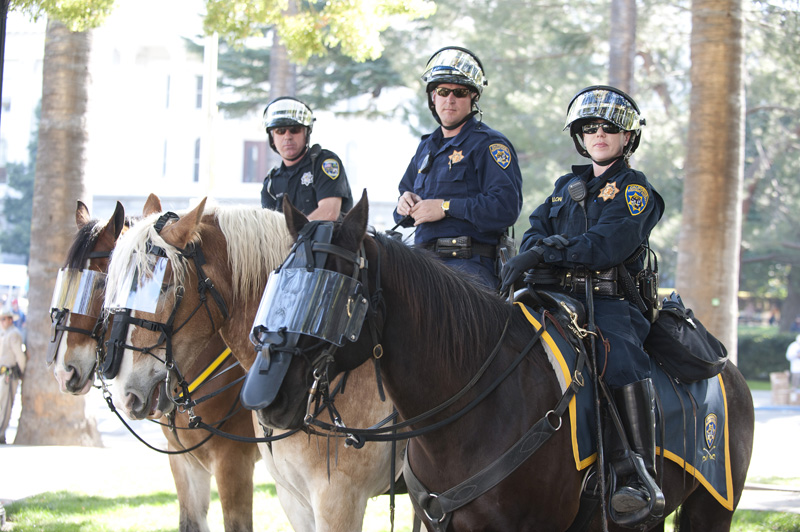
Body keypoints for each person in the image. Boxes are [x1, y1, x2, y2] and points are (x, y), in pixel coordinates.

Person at [500, 86, 665, 519]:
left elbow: (606, 244)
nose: (598, 134)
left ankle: (635, 473)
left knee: (622, 356)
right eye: (589, 128)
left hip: (610, 302)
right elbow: (534, 228)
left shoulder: (635, 190)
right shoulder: (565, 187)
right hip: (556, 296)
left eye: (609, 128)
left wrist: (548, 251)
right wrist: (538, 249)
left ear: (627, 137)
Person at [393, 46, 523, 288]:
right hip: (420, 262)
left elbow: (505, 207)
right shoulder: (426, 147)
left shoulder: (489, 144)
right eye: (443, 91)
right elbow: (401, 210)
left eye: (460, 92)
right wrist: (404, 203)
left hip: (468, 266)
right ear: (433, 97)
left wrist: (446, 207)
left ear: (473, 98)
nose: (450, 100)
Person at [261, 96, 353, 220]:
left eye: (295, 130)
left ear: (306, 133)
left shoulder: (325, 164)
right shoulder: (271, 183)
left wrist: (291, 235)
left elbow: (329, 213)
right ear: (272, 138)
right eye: (280, 131)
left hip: (331, 239)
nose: (287, 137)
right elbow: (268, 225)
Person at [0, 308, 26, 444]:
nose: (3, 322)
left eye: (6, 319)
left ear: (11, 320)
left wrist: (20, 372)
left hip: (9, 374)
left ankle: (1, 432)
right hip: (2, 373)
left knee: (5, 404)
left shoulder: (13, 334)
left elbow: (20, 356)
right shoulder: (3, 333)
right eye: (2, 319)